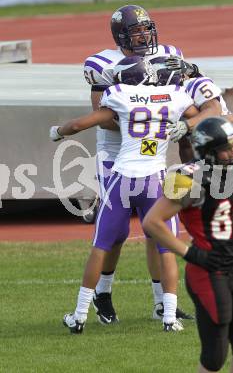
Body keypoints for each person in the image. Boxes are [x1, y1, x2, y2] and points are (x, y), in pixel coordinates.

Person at [50, 55, 205, 333]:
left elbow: (79, 124)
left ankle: (80, 315)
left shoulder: (118, 95)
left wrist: (57, 132)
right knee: (166, 247)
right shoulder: (171, 94)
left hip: (122, 179)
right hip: (155, 181)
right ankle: (169, 316)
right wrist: (185, 125)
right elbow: (199, 114)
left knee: (100, 246)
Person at [81, 4, 202, 324]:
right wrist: (144, 114)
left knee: (157, 228)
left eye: (146, 29)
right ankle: (102, 293)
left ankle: (163, 303)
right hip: (116, 153)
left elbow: (188, 92)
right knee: (116, 231)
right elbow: (102, 119)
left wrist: (189, 75)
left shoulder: (170, 53)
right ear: (120, 35)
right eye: (135, 31)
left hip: (155, 151)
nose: (143, 35)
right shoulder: (100, 64)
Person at [143, 117, 233, 372]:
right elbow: (152, 222)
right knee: (214, 356)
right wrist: (190, 253)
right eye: (226, 148)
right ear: (208, 153)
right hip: (206, 270)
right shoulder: (189, 180)